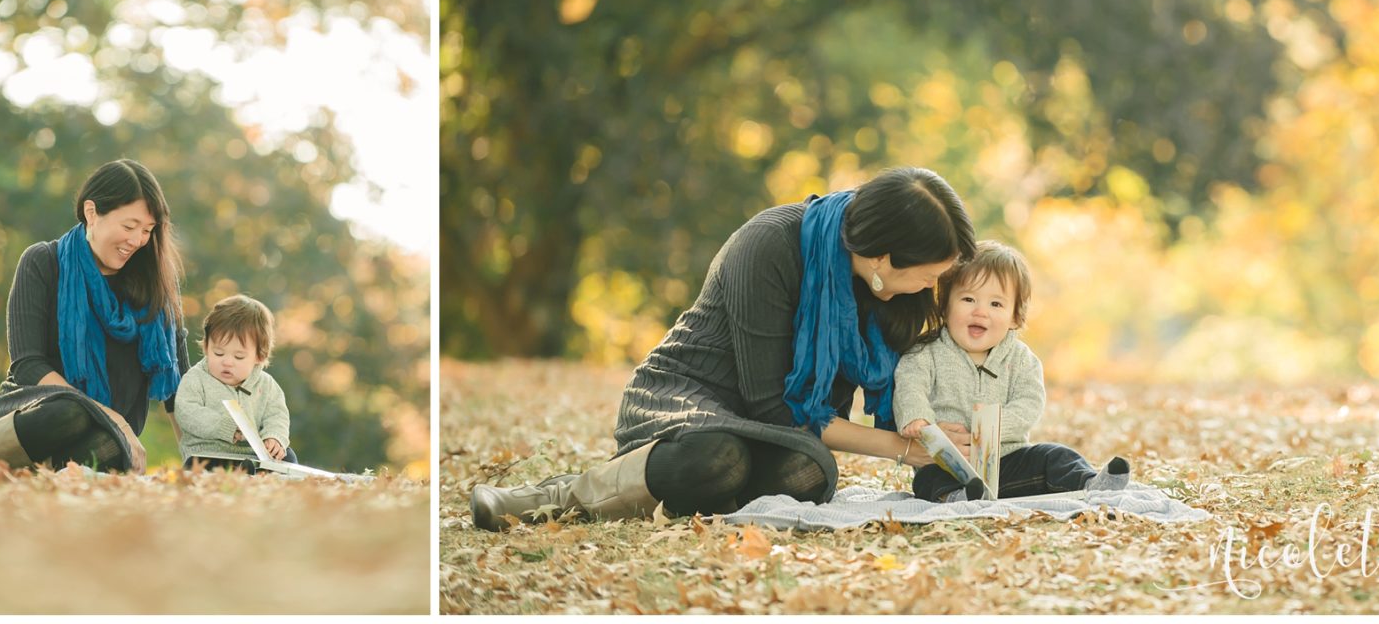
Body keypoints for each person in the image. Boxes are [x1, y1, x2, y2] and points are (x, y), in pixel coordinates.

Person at [470, 167, 977, 529]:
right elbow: (774, 406)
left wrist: (934, 432)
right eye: (931, 275)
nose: (932, 286)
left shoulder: (884, 287)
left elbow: (917, 366)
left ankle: (694, 496)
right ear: (882, 257)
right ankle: (563, 494)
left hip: (781, 432)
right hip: (687, 397)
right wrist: (903, 450)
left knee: (805, 473)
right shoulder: (771, 244)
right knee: (717, 458)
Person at [0, 157, 187, 475]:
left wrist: (195, 461)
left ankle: (19, 478)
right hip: (36, 413)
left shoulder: (155, 280)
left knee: (107, 447)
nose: (137, 241)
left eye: (147, 230)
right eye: (129, 226)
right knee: (71, 412)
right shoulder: (43, 262)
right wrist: (108, 414)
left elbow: (178, 381)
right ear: (92, 213)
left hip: (109, 436)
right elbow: (27, 363)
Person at [894, 240, 1130, 500]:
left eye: (996, 304)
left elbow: (1029, 402)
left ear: (1015, 317)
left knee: (1055, 455)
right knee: (927, 479)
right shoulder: (926, 353)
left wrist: (989, 429)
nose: (980, 312)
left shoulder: (1022, 360)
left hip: (1009, 458)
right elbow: (910, 385)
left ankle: (1090, 483)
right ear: (946, 306)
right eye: (968, 299)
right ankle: (959, 497)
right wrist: (919, 419)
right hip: (950, 461)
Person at [175, 293, 295, 471]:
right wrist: (225, 426)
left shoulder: (267, 386)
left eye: (239, 356)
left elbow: (277, 416)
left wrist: (274, 437)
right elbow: (187, 412)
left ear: (259, 356)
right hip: (210, 454)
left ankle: (262, 475)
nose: (227, 362)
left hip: (254, 455)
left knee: (288, 456)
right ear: (207, 346)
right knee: (201, 466)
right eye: (218, 353)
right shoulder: (196, 379)